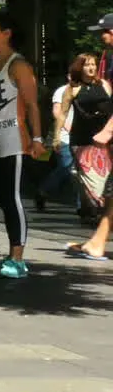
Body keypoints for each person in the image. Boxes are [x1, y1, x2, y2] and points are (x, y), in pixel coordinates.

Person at [0, 10, 45, 278]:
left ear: (7, 34)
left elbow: (31, 104)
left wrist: (38, 139)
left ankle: (18, 259)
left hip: (14, 141)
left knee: (13, 198)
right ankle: (10, 253)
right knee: (2, 198)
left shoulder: (18, 65)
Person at [64, 17, 113, 261]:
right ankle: (96, 242)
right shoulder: (74, 88)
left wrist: (108, 130)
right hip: (87, 142)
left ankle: (96, 242)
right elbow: (60, 111)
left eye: (104, 32)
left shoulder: (106, 78)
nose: (102, 37)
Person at [39, 57, 83, 214]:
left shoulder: (85, 90)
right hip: (65, 136)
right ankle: (44, 190)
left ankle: (82, 206)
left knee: (80, 171)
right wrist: (68, 127)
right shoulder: (61, 91)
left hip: (81, 138)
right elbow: (57, 112)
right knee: (67, 168)